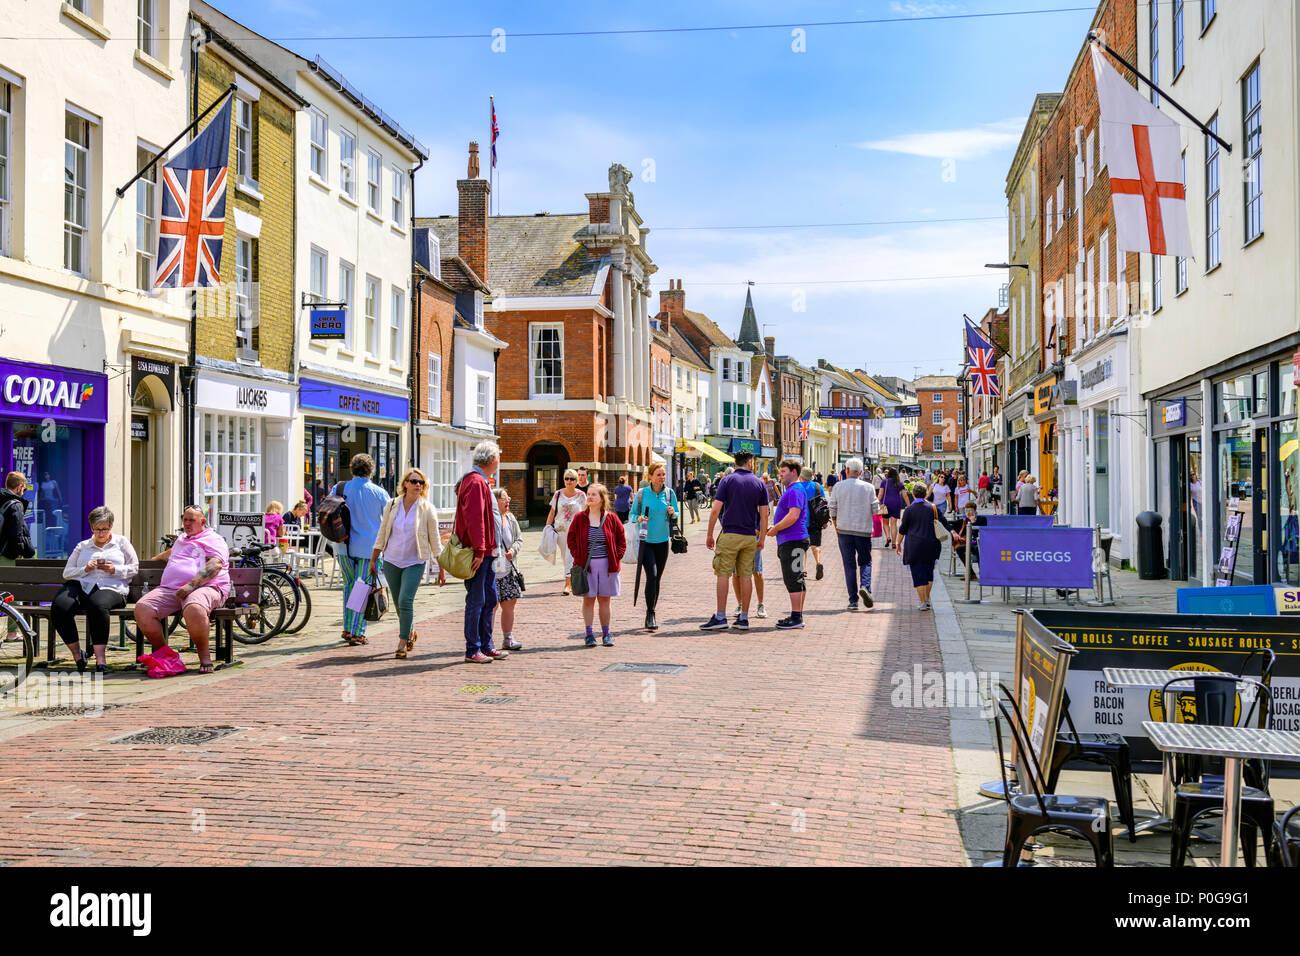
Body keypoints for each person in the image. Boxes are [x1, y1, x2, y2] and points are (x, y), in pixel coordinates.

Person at [133, 505, 230, 674]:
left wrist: (191, 585)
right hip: (171, 589)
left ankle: (204, 656)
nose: (187, 523)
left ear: (203, 521)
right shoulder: (182, 539)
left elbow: (216, 564)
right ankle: (164, 655)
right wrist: (154, 560)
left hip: (207, 587)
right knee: (143, 608)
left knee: (194, 608)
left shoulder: (213, 539)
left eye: (192, 520)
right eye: (184, 519)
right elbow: (171, 553)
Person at [52, 506, 139, 673]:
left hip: (112, 586)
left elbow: (134, 568)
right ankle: (78, 655)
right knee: (60, 606)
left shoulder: (121, 542)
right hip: (82, 585)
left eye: (104, 529)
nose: (100, 533)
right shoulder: (83, 546)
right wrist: (85, 569)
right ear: (91, 528)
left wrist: (115, 569)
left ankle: (101, 659)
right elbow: (67, 573)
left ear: (111, 526)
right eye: (97, 529)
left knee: (97, 605)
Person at [369, 468, 442, 660]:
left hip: (415, 561)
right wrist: (374, 558)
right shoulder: (392, 505)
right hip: (392, 560)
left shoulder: (427, 508)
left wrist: (441, 568)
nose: (418, 485)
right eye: (414, 481)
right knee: (398, 602)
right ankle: (410, 631)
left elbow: (435, 541)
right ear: (405, 484)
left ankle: (402, 643)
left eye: (421, 482)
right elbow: (383, 532)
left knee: (405, 600)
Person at [701, 450, 769, 631]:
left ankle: (721, 616)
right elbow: (764, 515)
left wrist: (709, 534)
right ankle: (744, 618)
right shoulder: (759, 483)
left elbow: (716, 510)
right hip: (749, 536)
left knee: (723, 573)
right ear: (749, 462)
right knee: (746, 575)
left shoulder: (727, 481)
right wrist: (761, 538)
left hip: (730, 533)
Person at [332, 454, 391, 647]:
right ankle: (357, 632)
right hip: (368, 549)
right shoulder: (378, 492)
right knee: (361, 589)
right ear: (371, 470)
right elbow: (390, 518)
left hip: (343, 546)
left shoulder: (339, 488)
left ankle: (348, 628)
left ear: (352, 468)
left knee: (349, 586)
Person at [456, 441, 506, 663]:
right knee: (477, 600)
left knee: (490, 599)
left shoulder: (480, 481)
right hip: (481, 553)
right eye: (498, 458)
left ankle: (486, 645)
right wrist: (479, 550)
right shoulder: (476, 482)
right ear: (492, 460)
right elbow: (475, 519)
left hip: (488, 552)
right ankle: (473, 648)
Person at [566, 483, 627, 646]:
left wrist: (617, 556)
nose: (590, 497)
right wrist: (578, 556)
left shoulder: (611, 518)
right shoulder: (579, 518)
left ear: (602, 499)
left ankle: (606, 634)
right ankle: (589, 634)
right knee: (588, 600)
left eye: (594, 494)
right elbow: (571, 539)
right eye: (589, 494)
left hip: (608, 567)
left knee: (605, 601)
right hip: (587, 567)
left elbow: (621, 539)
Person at [631, 463, 678, 631]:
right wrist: (639, 519)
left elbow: (677, 512)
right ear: (650, 476)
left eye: (663, 474)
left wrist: (674, 512)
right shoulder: (642, 494)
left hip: (663, 541)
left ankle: (651, 610)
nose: (661, 477)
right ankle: (650, 613)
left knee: (657, 579)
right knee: (652, 575)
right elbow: (632, 515)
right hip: (646, 542)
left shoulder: (669, 493)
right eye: (658, 474)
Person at [766, 460, 809, 629]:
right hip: (791, 539)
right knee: (795, 577)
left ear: (794, 472)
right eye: (780, 471)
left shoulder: (795, 490)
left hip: (794, 539)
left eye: (784, 471)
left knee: (793, 578)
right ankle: (797, 614)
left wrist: (776, 528)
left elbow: (793, 515)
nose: (780, 474)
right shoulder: (793, 490)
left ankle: (796, 617)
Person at [829, 457, 875, 611]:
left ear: (846, 470)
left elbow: (832, 509)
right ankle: (865, 586)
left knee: (849, 566)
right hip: (863, 531)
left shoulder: (838, 486)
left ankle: (853, 600)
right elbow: (875, 509)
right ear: (861, 472)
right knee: (865, 562)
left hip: (844, 531)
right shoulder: (868, 488)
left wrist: (836, 525)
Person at [897, 482, 942, 611]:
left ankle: (923, 602)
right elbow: (943, 521)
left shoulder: (909, 510)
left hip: (914, 545)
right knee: (929, 573)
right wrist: (953, 532)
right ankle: (927, 598)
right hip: (932, 544)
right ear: (926, 493)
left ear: (913, 494)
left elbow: (903, 529)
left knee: (918, 573)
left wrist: (898, 543)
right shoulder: (933, 508)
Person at [545, 468, 588, 596]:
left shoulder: (581, 495)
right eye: (566, 478)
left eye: (572, 479)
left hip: (576, 531)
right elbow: (552, 511)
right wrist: (547, 527)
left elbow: (586, 513)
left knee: (570, 556)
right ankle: (572, 580)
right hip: (561, 530)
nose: (569, 481)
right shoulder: (558, 494)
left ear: (576, 481)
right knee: (566, 556)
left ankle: (568, 584)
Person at [492, 488, 524, 651]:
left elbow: (519, 539)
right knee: (492, 606)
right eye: (504, 498)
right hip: (491, 570)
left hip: (508, 570)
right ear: (494, 501)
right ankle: (487, 640)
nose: (507, 501)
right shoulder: (488, 519)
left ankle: (508, 638)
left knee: (509, 604)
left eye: (508, 498)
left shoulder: (511, 519)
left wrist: (513, 550)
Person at [796, 467, 827, 580]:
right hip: (816, 521)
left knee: (801, 546)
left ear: (802, 476)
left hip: (800, 521)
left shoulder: (798, 487)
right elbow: (823, 502)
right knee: (815, 546)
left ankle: (802, 570)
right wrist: (824, 521)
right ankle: (818, 563)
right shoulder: (817, 486)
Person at [0, 471, 35, 566]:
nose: (23, 492)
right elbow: (16, 533)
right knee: (13, 580)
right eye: (24, 489)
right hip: (6, 556)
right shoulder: (16, 505)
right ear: (19, 487)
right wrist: (20, 552)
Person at [878, 467, 909, 549]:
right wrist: (909, 505)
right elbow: (905, 495)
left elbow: (880, 494)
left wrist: (877, 502)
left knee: (885, 523)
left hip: (886, 503)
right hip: (896, 503)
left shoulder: (884, 481)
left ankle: (888, 537)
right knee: (894, 524)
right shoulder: (900, 482)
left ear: (888, 473)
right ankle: (894, 543)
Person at [951, 500, 985, 572]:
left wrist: (973, 523)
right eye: (966, 511)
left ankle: (982, 572)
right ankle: (971, 573)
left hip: (979, 543)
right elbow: (951, 523)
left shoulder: (982, 519)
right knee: (959, 549)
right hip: (969, 543)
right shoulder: (964, 520)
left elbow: (982, 532)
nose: (968, 513)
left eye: (970, 511)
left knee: (977, 549)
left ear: (974, 511)